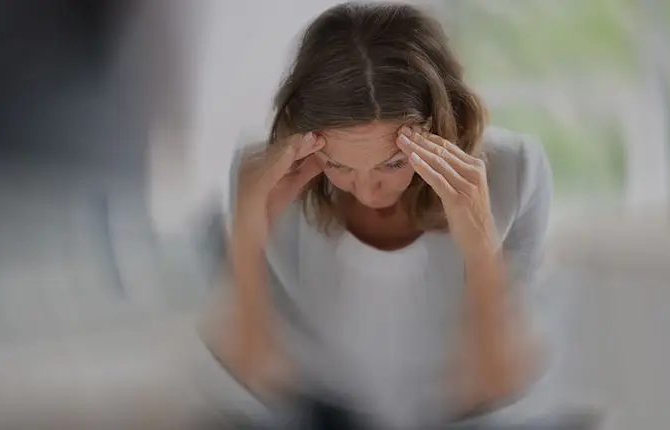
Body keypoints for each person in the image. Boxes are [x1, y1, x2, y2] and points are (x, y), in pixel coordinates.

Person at [196, 2, 560, 428]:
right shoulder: (268, 176)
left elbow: (499, 382)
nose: (368, 191)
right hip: (319, 408)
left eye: (391, 164)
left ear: (442, 128)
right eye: (339, 166)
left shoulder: (515, 172)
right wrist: (248, 237)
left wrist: (480, 247)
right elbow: (253, 371)